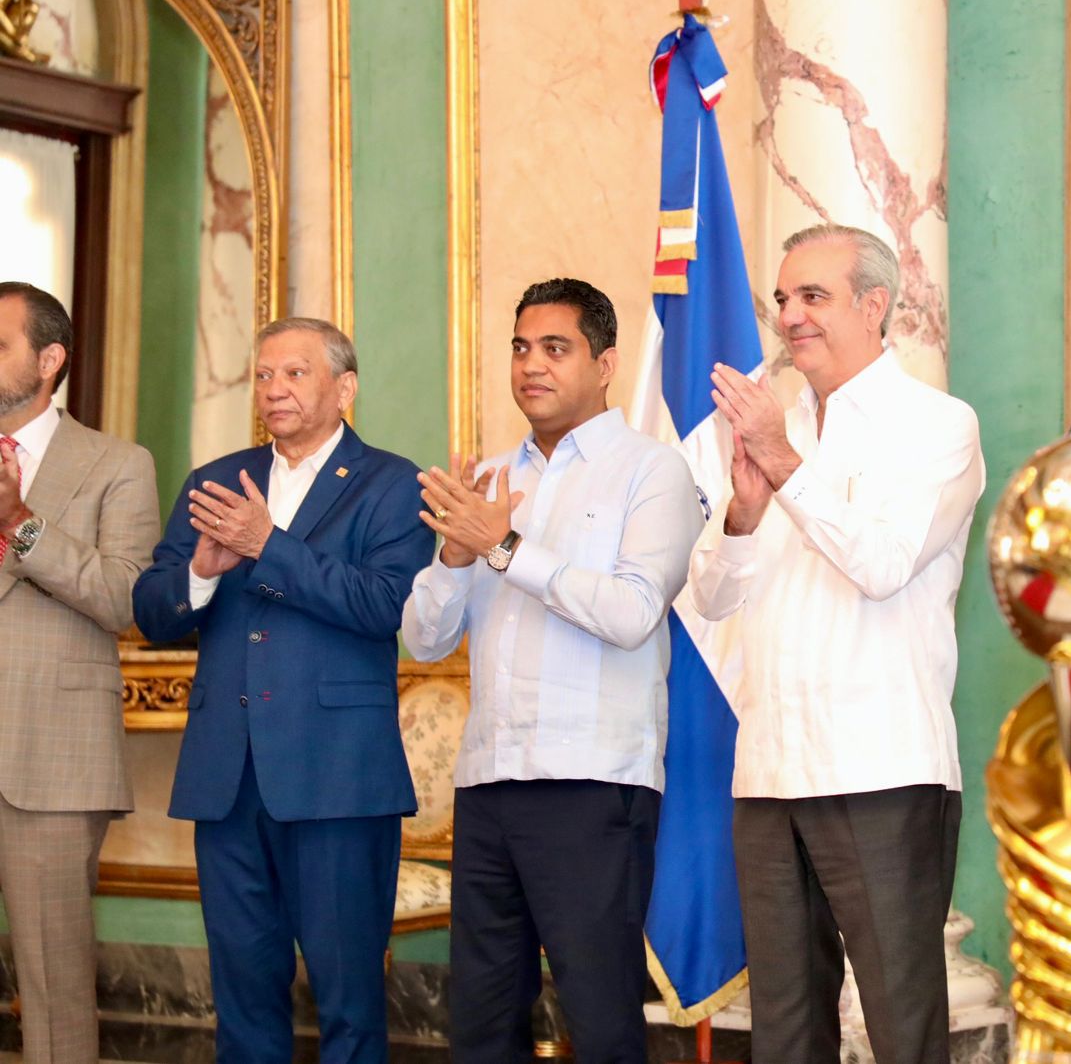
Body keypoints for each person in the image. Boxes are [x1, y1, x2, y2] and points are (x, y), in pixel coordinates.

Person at [688, 224, 984, 1064]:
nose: (790, 316)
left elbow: (883, 565)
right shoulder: (776, 430)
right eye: (783, 298)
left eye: (812, 296)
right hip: (771, 768)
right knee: (784, 1031)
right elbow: (710, 599)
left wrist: (784, 466)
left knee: (902, 1023)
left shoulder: (936, 424)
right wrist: (741, 517)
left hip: (881, 770)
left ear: (875, 305)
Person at [401, 278, 701, 1062]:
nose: (532, 365)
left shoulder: (652, 472)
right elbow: (425, 640)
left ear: (605, 363)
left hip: (593, 784)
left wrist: (506, 550)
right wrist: (454, 554)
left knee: (599, 1020)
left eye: (555, 348)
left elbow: (634, 613)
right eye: (521, 348)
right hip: (491, 780)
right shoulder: (491, 480)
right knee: (481, 1020)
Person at [132, 317, 434, 1063]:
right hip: (227, 779)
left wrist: (271, 546)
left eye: (295, 374)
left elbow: (382, 606)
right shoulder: (214, 479)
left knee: (348, 1000)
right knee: (242, 992)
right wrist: (201, 572)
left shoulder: (394, 484)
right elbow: (150, 612)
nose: (274, 390)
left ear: (345, 386)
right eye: (264, 376)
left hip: (337, 778)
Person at [0, 281, 160, 1063]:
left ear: (49, 359)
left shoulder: (117, 464)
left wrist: (19, 526)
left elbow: (125, 599)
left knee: (55, 992)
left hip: (49, 762)